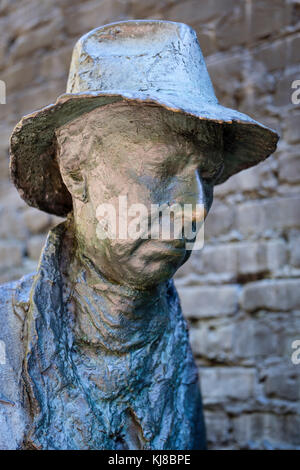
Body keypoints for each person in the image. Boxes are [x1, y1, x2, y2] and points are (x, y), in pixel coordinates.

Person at [0, 20, 278, 450]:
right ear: (76, 170)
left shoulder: (173, 346)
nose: (196, 208)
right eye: (162, 170)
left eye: (208, 175)